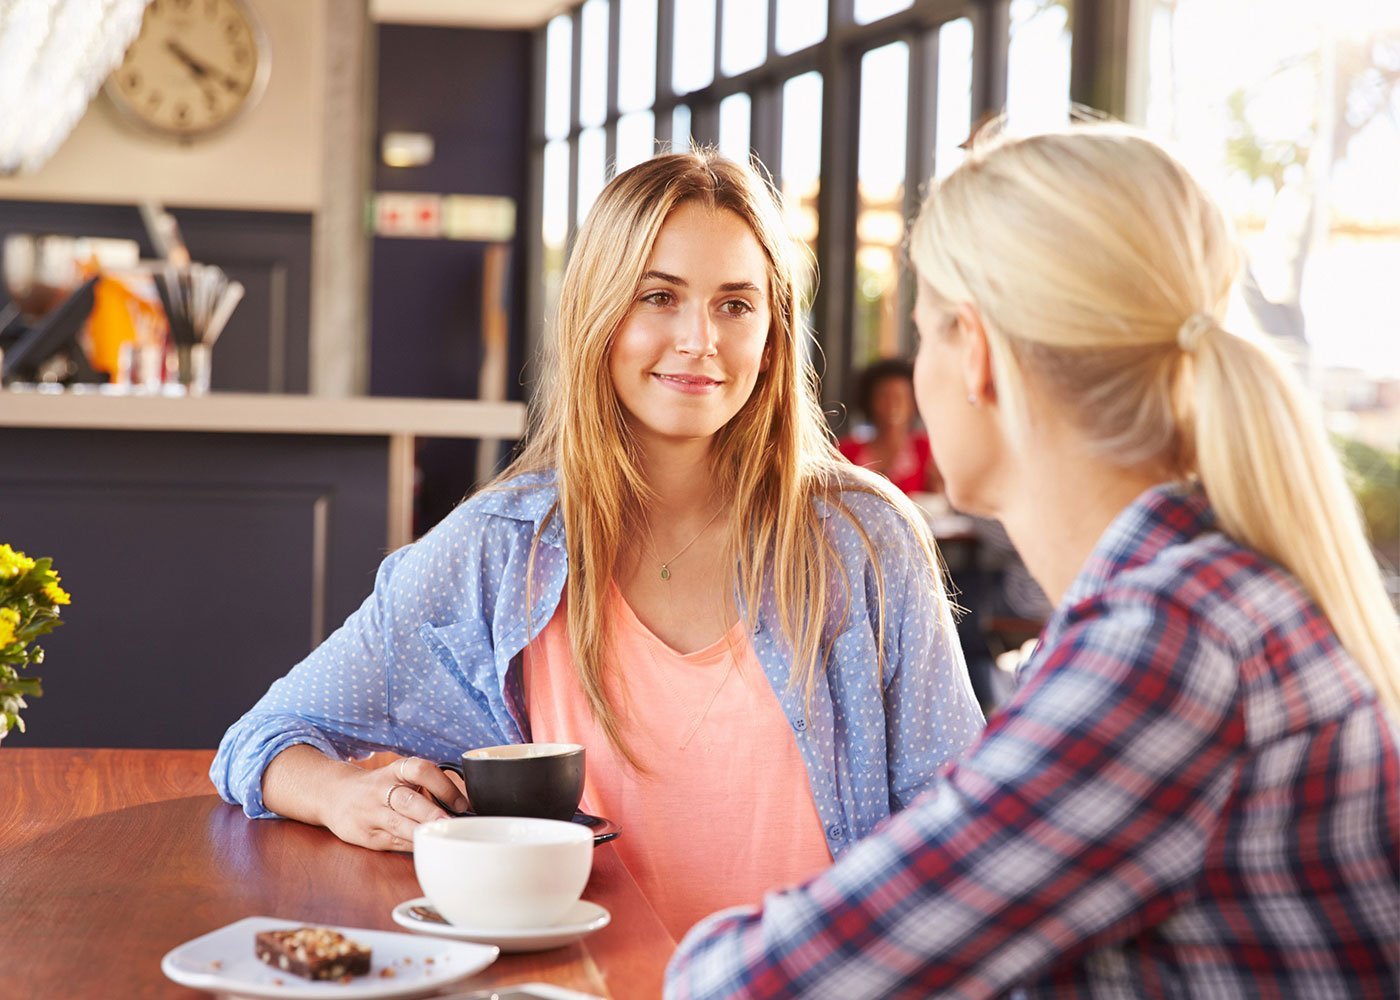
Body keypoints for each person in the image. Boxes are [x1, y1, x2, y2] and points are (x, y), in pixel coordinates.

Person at [665, 123, 1400, 997]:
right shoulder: (1207, 595)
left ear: (975, 355)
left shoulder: (1167, 647)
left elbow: (753, 985)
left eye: (929, 333)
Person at [211, 150, 983, 940]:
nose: (699, 340)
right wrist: (344, 796)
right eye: (660, 296)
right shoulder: (501, 547)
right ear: (599, 312)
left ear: (775, 331)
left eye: (735, 305)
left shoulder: (863, 540)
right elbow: (263, 739)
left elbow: (959, 829)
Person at [838, 358, 942, 495]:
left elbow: (938, 502)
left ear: (915, 402)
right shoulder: (846, 452)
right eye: (884, 397)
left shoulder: (927, 450)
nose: (892, 405)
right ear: (869, 401)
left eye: (900, 397)